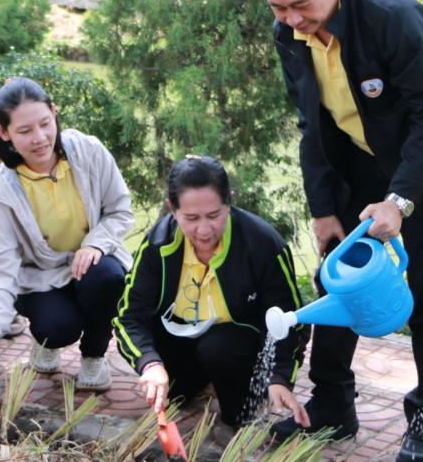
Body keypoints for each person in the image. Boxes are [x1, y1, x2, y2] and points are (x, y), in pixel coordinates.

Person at [256, 0, 423, 462]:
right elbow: (310, 123)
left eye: (300, 4)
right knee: (337, 275)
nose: (290, 18)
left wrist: (400, 201)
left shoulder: (392, 16)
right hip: (360, 156)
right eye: (277, 7)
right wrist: (322, 208)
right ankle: (334, 401)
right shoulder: (289, 34)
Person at [114, 156, 309, 432]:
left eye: (214, 215)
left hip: (234, 346)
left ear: (229, 202)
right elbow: (127, 317)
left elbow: (292, 319)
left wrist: (279, 377)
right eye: (191, 218)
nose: (204, 230)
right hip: (179, 338)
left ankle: (236, 394)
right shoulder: (157, 245)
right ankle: (200, 381)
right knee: (174, 395)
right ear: (172, 209)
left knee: (232, 399)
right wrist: (149, 363)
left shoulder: (263, 244)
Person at [0, 78, 135, 390]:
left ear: (54, 112)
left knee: (109, 278)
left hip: (93, 265)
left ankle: (94, 356)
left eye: (45, 124)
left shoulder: (89, 151)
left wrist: (96, 244)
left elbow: (120, 209)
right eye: (24, 131)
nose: (40, 138)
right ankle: (45, 341)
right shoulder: (3, 191)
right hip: (41, 278)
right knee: (58, 328)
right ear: (4, 133)